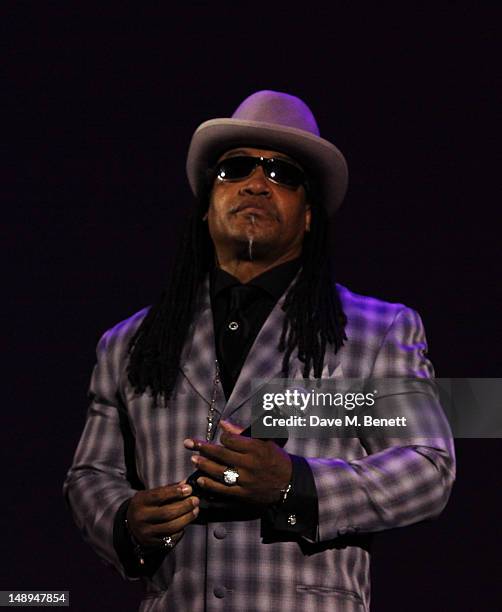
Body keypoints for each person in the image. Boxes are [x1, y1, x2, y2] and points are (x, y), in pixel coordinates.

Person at [64, 90, 455, 611]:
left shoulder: (380, 329)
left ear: (309, 214)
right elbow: (90, 475)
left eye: (282, 174)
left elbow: (428, 467)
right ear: (205, 207)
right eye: (236, 169)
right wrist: (125, 521)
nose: (256, 183)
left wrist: (297, 484)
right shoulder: (129, 343)